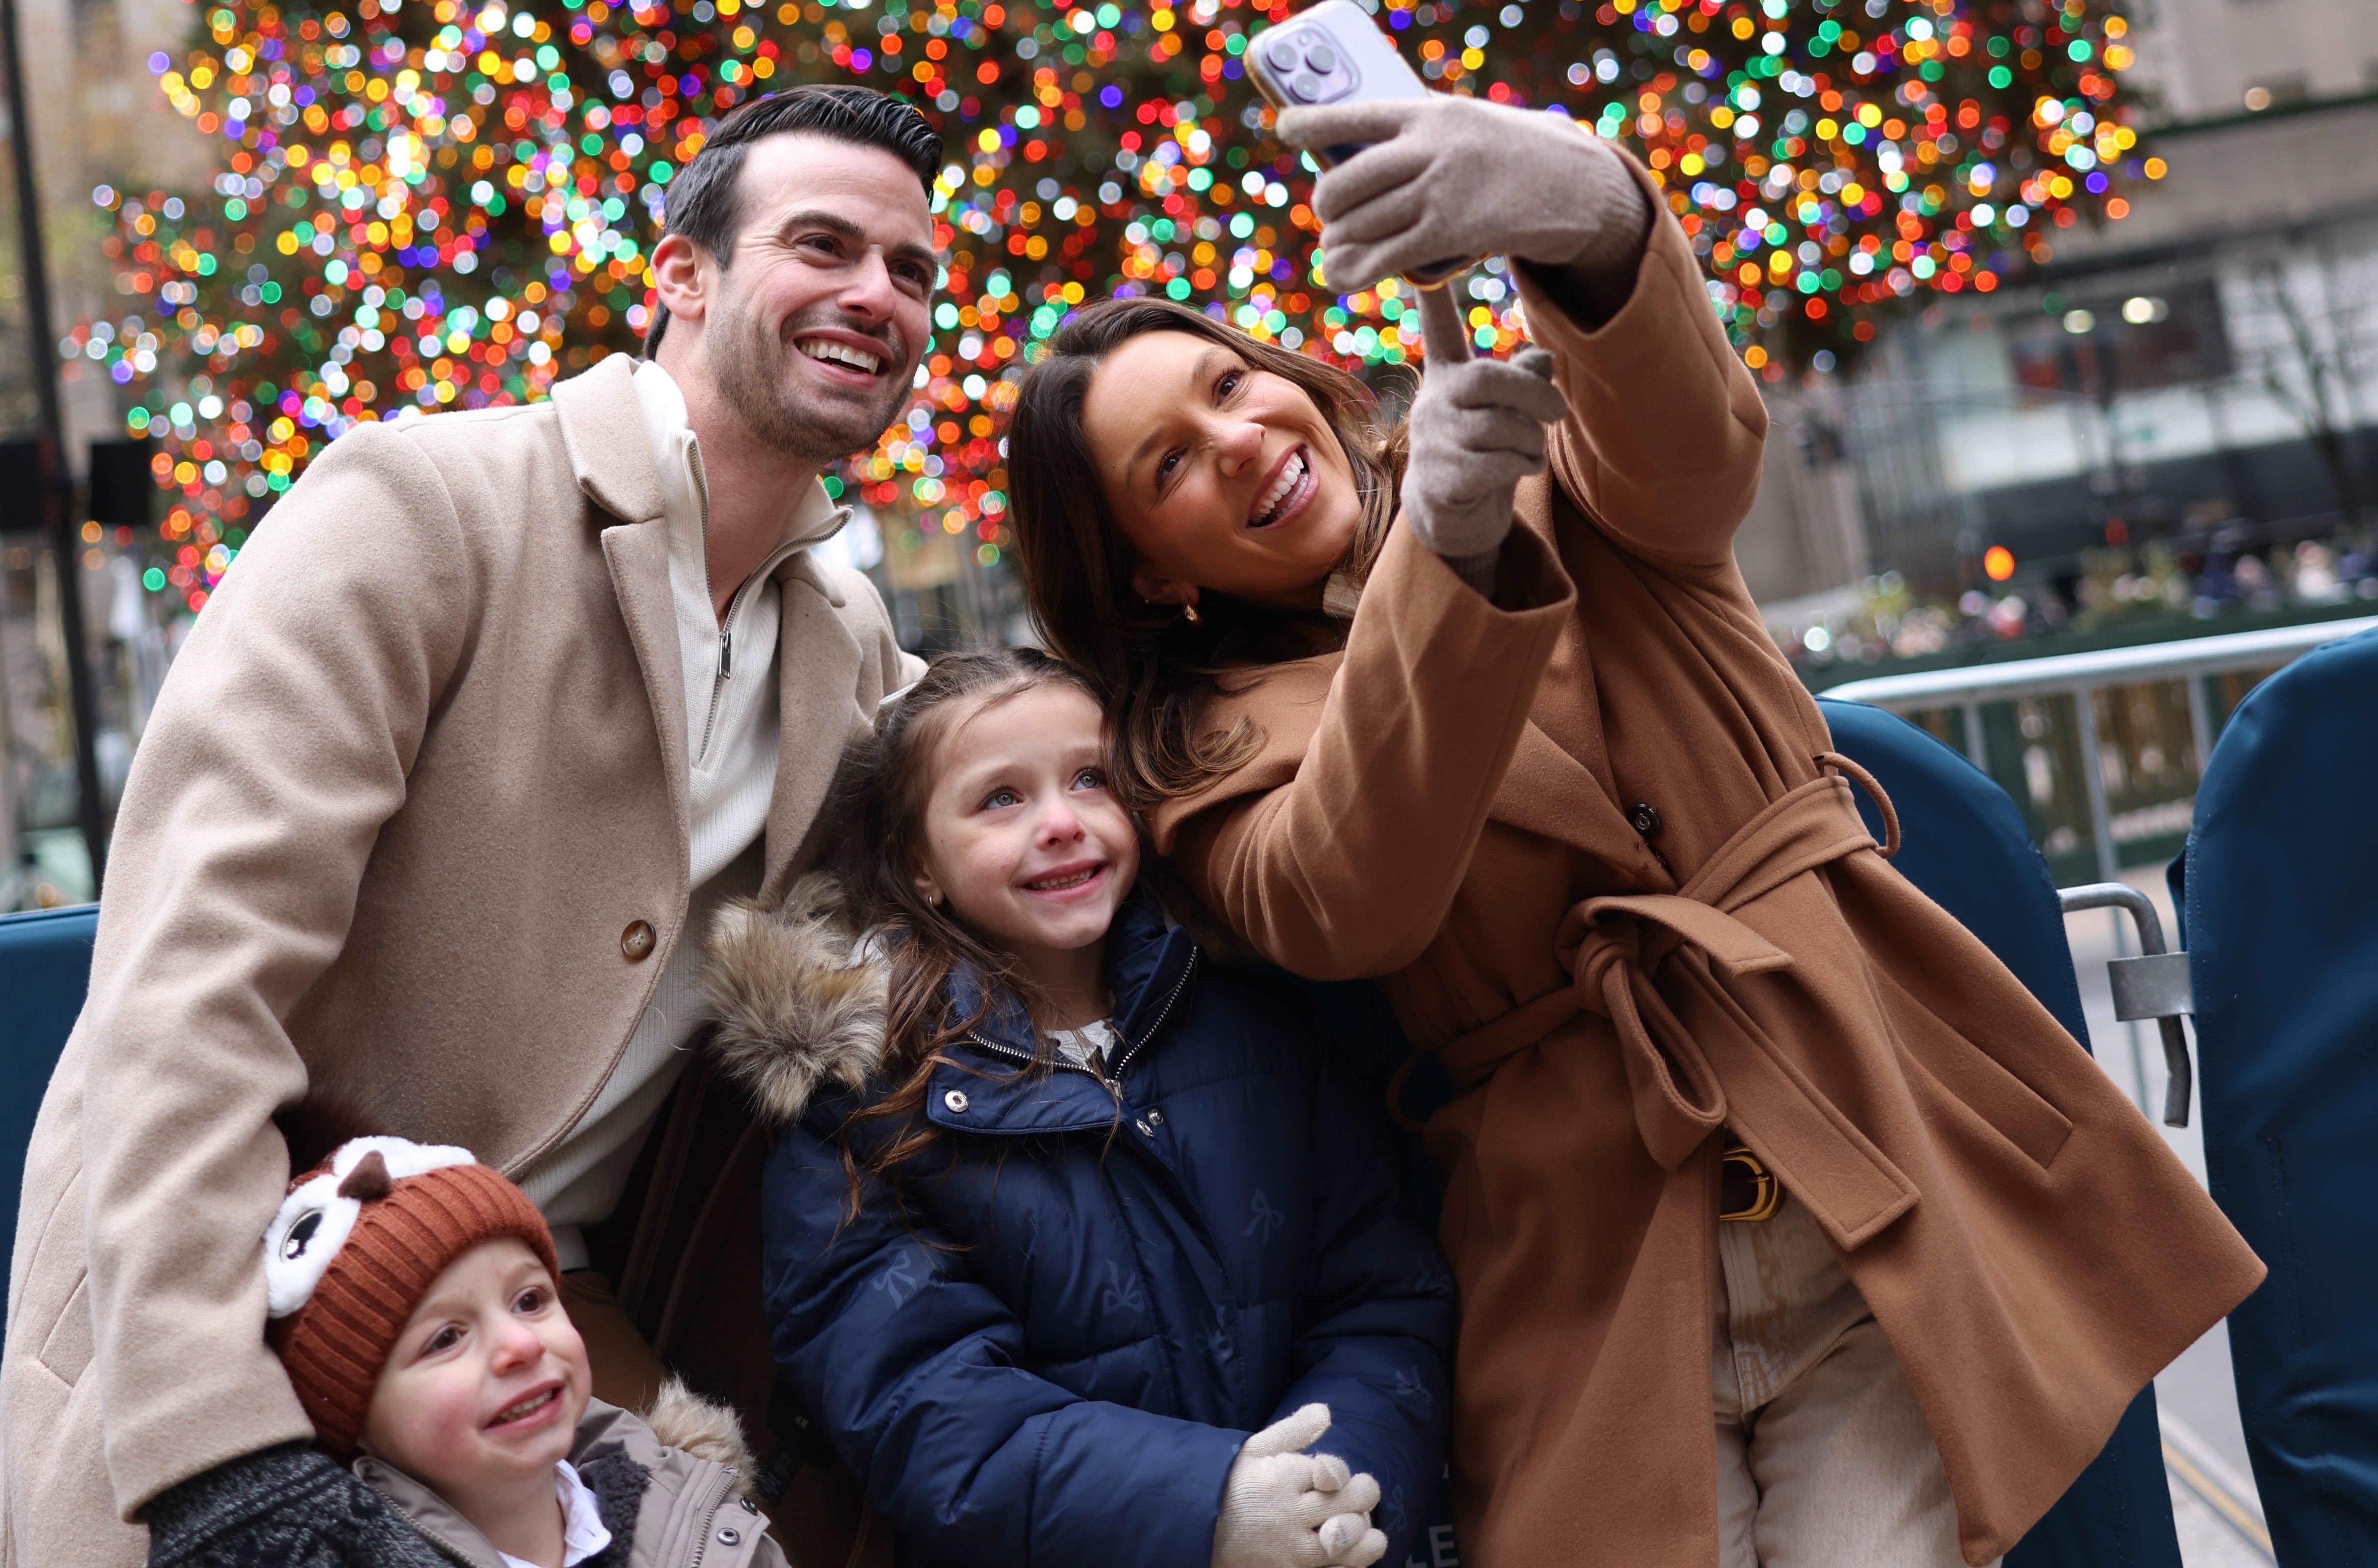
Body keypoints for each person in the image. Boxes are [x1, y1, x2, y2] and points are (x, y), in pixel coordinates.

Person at [1001, 95, 2264, 1568]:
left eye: (1228, 383)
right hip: (1595, 1271)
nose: (1238, 438)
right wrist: (1441, 554)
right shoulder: (1194, 758)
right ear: (1150, 578)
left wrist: (1588, 210)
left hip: (1860, 1153)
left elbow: (1691, 446)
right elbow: (1351, 886)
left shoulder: (1545, 470)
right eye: (1167, 462)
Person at [0, 85, 936, 1568]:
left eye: (914, 269)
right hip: (250, 1330)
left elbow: (1061, 780)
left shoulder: (847, 637)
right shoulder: (419, 504)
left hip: (562, 1360)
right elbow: (184, 994)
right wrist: (225, 1457)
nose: (879, 292)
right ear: (681, 272)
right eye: (825, 243)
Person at [703, 649, 1453, 1568]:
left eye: (1089, 778)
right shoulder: (864, 1110)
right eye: (1000, 799)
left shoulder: (1251, 1019)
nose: (1060, 822)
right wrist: (1204, 1505)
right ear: (919, 862)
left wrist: (1334, 1490)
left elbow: (1381, 1292)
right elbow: (926, 1406)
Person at [204, 1133, 785, 1568]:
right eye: (446, 1338)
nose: (520, 1344)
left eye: (530, 1300)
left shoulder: (695, 1511)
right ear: (356, 1420)